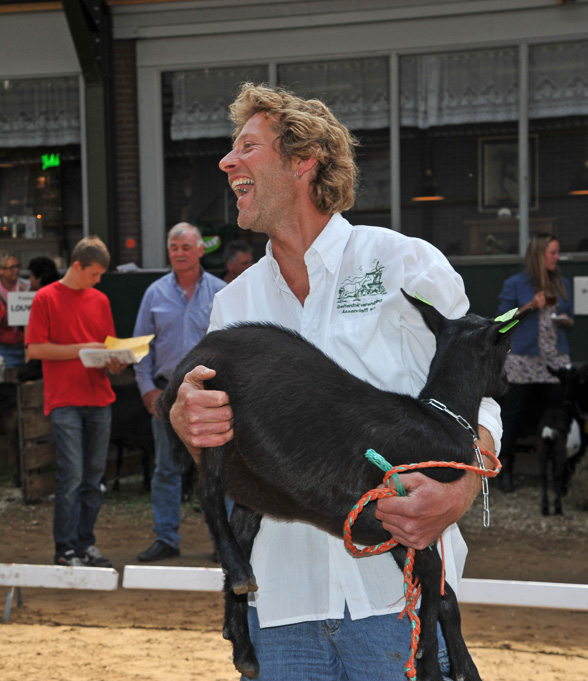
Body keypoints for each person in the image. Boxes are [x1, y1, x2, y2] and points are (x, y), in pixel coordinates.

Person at [167, 83, 500, 681]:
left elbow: (482, 399)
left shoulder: (404, 263)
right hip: (280, 604)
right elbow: (218, 443)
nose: (226, 162)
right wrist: (187, 420)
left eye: (247, 147)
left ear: (303, 161)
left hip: (398, 602)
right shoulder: (233, 305)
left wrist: (458, 495)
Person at [26, 236, 125, 568]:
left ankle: (85, 544)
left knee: (93, 477)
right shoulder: (45, 298)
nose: (97, 281)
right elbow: (35, 349)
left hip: (98, 397)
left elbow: (107, 346)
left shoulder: (100, 300)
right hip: (65, 399)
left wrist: (115, 360)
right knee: (71, 476)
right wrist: (83, 349)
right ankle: (65, 548)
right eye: (94, 274)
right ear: (77, 265)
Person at [134, 223, 225, 562]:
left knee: (218, 471)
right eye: (174, 247)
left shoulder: (221, 292)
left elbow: (232, 345)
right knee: (166, 470)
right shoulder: (154, 294)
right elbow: (141, 347)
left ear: (201, 250)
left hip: (212, 396)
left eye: (186, 247)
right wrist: (147, 390)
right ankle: (166, 538)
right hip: (166, 396)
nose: (179, 253)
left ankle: (224, 542)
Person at [495, 233, 574, 492]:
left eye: (557, 252)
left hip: (554, 359)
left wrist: (565, 320)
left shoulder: (561, 283)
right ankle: (505, 470)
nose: (556, 257)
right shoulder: (515, 284)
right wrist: (530, 305)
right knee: (513, 416)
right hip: (523, 360)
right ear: (539, 254)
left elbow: (569, 316)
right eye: (552, 252)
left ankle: (556, 472)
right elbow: (502, 321)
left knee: (554, 416)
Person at [0, 250, 30, 367]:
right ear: (0, 270)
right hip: (8, 349)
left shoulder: (28, 287)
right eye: (11, 268)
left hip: (29, 345)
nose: (16, 270)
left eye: (17, 266)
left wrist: (25, 296)